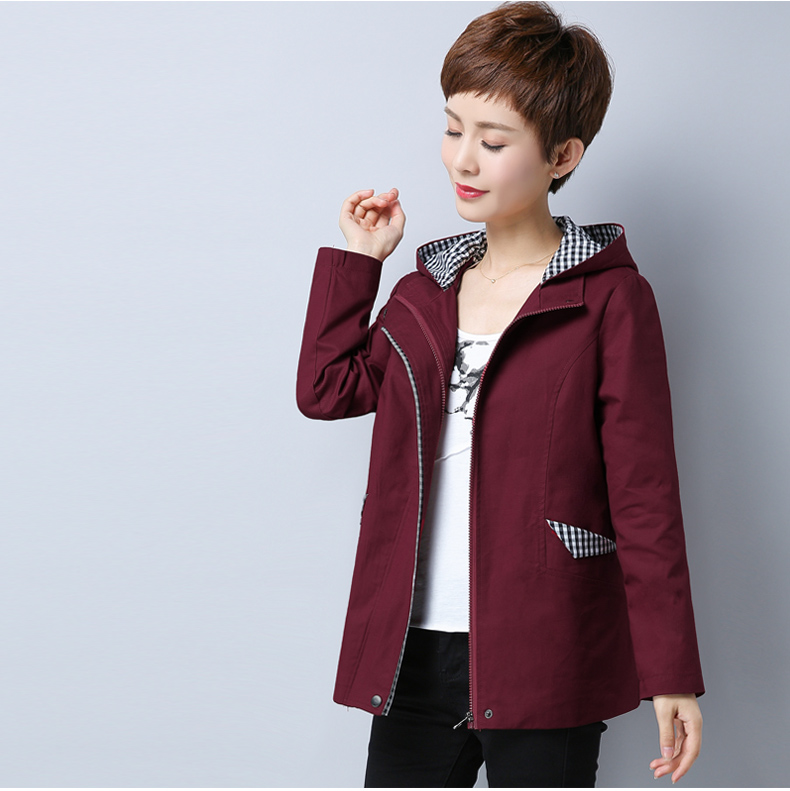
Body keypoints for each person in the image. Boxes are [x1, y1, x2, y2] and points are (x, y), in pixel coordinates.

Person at [296, 1, 705, 786]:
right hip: (411, 651)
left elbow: (645, 495)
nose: (463, 160)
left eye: (492, 141)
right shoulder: (424, 289)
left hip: (545, 648)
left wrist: (671, 672)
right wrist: (361, 261)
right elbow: (327, 388)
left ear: (562, 155)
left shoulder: (609, 300)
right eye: (453, 129)